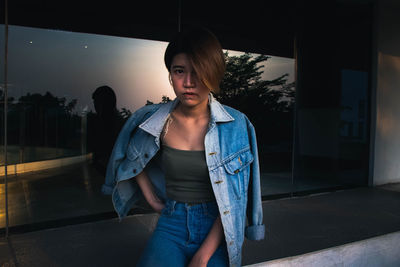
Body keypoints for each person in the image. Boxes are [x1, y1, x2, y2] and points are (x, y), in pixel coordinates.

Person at [102, 27, 265, 267]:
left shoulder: (236, 125)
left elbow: (236, 199)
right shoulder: (152, 121)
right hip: (172, 223)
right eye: (180, 71)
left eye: (199, 72)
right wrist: (153, 200)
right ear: (170, 73)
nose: (189, 82)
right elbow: (131, 158)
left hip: (217, 227)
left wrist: (202, 257)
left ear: (214, 73)